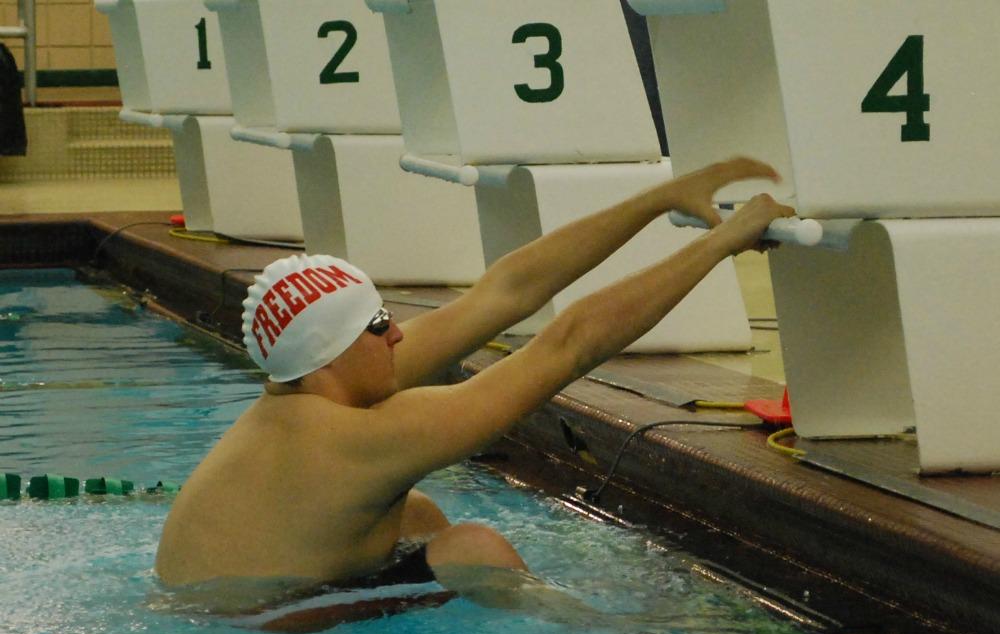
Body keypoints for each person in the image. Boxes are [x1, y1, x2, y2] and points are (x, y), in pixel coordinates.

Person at [155, 158, 792, 610]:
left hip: (237, 605)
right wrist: (721, 245)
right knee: (475, 548)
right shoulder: (357, 438)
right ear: (331, 354)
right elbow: (569, 345)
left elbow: (505, 292)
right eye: (379, 325)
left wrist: (658, 199)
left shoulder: (311, 389)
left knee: (418, 515)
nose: (399, 334)